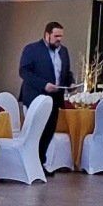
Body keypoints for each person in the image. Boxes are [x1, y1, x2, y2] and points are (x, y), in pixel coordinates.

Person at [18, 21, 76, 162]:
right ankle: (30, 161)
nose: (59, 39)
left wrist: (71, 82)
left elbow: (65, 72)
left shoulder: (63, 51)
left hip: (55, 98)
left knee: (49, 131)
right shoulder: (32, 49)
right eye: (56, 36)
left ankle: (41, 161)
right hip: (35, 97)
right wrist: (44, 85)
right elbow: (24, 71)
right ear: (47, 35)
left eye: (61, 36)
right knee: (36, 131)